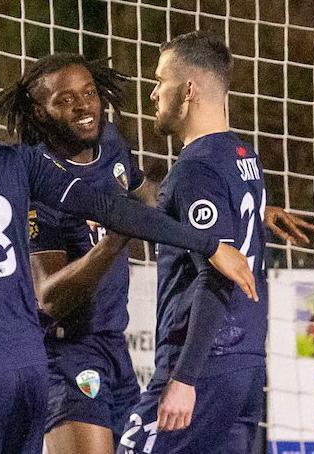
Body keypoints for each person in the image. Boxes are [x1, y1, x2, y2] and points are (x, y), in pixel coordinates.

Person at [0, 53, 256, 454]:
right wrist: (208, 244)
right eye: (65, 99)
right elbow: (107, 212)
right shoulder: (11, 162)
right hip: (37, 365)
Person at [0, 53, 314, 454]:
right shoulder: (37, 183)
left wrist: (230, 214)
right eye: (65, 100)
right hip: (67, 354)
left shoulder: (109, 143)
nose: (83, 106)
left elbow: (150, 196)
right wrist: (114, 240)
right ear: (40, 112)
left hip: (115, 348)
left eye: (89, 93)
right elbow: (50, 297)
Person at [116, 31, 271, 453]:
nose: (153, 93)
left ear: (187, 90)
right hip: (246, 363)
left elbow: (214, 277)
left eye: (160, 80)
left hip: (202, 365)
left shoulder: (196, 169)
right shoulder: (244, 158)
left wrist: (183, 379)